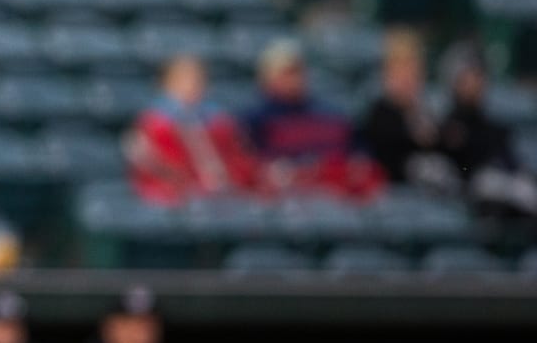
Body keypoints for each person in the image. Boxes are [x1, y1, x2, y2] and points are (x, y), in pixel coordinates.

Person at [242, 39, 384, 199]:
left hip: (335, 199)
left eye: (298, 71)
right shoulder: (255, 119)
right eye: (287, 72)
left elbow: (360, 157)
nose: (294, 79)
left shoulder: (331, 116)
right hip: (285, 200)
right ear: (267, 77)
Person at [125, 55, 260, 205]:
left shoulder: (219, 122)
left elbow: (238, 160)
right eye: (182, 79)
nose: (191, 85)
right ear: (165, 83)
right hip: (176, 201)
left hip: (222, 199)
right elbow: (159, 171)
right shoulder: (152, 124)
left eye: (197, 79)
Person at [438, 46, 536, 217]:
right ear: (455, 82)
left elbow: (509, 159)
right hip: (472, 197)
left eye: (478, 76)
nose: (475, 83)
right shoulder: (448, 124)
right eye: (468, 77)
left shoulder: (493, 126)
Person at [356, 30, 457, 189]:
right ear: (386, 75)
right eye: (399, 71)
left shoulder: (431, 112)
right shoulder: (378, 114)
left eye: (412, 71)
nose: (406, 79)